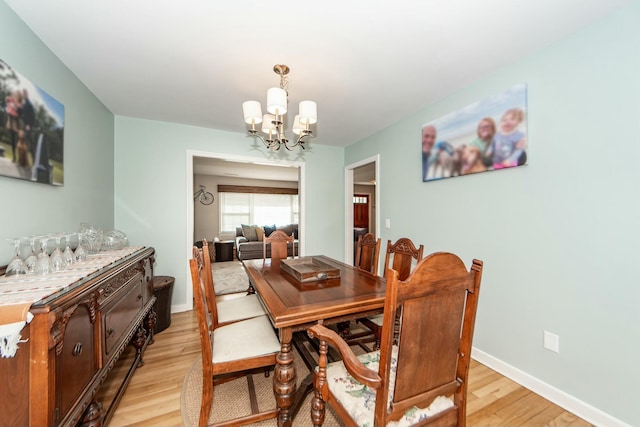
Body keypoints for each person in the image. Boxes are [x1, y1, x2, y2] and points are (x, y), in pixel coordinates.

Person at [4, 89, 23, 162]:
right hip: (11, 121)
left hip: (17, 123)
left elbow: (20, 113)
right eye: (14, 95)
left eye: (17, 95)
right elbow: (7, 100)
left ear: (19, 97)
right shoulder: (12, 101)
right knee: (12, 140)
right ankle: (14, 156)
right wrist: (8, 100)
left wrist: (14, 106)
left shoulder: (20, 105)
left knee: (18, 140)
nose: (15, 96)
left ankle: (20, 157)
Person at [20, 88, 36, 158]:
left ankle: (34, 161)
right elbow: (21, 114)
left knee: (30, 144)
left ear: (27, 94)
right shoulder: (24, 104)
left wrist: (29, 125)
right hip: (24, 125)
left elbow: (33, 116)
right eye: (23, 94)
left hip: (28, 126)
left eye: (25, 93)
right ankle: (23, 159)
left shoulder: (29, 104)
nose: (24, 95)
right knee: (23, 141)